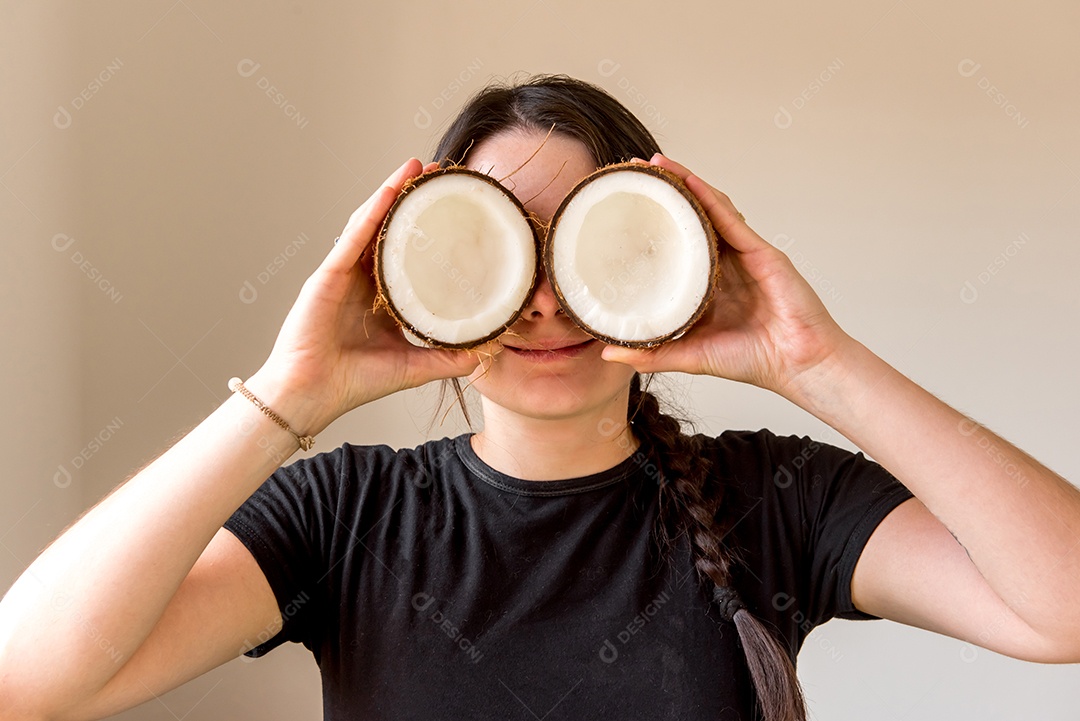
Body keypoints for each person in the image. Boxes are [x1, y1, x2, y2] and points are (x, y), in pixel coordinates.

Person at [1, 75, 1078, 721]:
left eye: (591, 241)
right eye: (498, 247)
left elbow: (1063, 608)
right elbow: (29, 678)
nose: (547, 299)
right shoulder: (347, 517)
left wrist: (818, 360)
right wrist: (287, 396)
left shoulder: (774, 496)